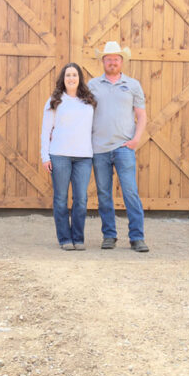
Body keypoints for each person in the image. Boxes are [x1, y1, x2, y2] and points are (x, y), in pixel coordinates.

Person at [88, 41, 149, 252]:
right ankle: (109, 236)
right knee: (104, 194)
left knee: (130, 192)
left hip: (124, 148)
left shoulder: (133, 85)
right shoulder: (92, 85)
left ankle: (137, 237)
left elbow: (141, 116)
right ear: (102, 61)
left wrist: (136, 139)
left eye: (116, 58)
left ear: (122, 61)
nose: (112, 62)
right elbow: (83, 115)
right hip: (99, 149)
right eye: (108, 58)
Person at [41, 63, 97, 250]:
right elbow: (45, 131)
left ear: (79, 78)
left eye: (74, 75)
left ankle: (78, 238)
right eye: (68, 75)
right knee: (60, 198)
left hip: (83, 157)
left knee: (81, 199)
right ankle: (65, 239)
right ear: (63, 79)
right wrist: (45, 156)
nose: (71, 78)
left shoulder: (88, 102)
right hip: (60, 155)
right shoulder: (55, 101)